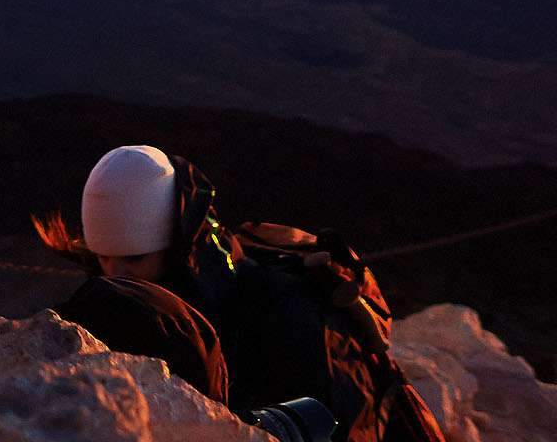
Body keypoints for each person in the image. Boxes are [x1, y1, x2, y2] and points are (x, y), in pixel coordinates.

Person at [35, 145, 444, 442]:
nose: (116, 275)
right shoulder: (153, 302)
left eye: (135, 260)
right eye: (103, 259)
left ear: (176, 245)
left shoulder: (279, 314)